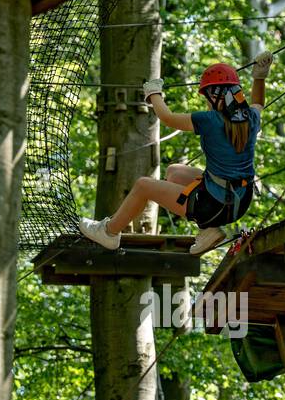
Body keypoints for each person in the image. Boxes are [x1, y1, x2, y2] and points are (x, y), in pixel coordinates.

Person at [78, 55, 272, 257]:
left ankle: (109, 232)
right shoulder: (251, 118)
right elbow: (258, 103)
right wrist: (260, 77)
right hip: (240, 199)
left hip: (215, 205)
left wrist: (154, 93)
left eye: (206, 98)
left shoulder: (211, 120)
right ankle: (208, 229)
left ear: (215, 97)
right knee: (174, 172)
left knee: (144, 186)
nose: (206, 103)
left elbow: (168, 118)